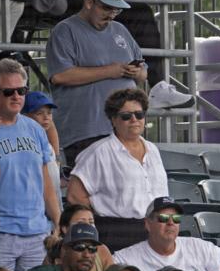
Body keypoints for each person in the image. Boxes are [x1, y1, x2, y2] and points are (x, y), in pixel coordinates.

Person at [45, 0, 149, 166]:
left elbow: (144, 73)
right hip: (85, 131)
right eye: (106, 8)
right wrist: (110, 71)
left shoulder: (120, 30)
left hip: (123, 128)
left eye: (116, 10)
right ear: (89, 2)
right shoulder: (65, 30)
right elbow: (60, 76)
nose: (111, 14)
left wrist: (136, 73)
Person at [0, 60, 62, 271]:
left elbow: (46, 182)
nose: (16, 96)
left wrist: (58, 221)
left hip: (37, 233)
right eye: (9, 92)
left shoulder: (35, 128)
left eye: (21, 90)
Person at [68, 88, 168, 251]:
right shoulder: (99, 151)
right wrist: (100, 219)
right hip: (117, 231)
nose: (134, 119)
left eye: (139, 114)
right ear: (113, 120)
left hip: (155, 228)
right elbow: (74, 195)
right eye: (126, 116)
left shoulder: (153, 150)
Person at [114, 197, 220, 271]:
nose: (171, 223)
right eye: (163, 218)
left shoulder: (199, 247)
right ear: (148, 224)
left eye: (176, 218)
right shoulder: (126, 259)